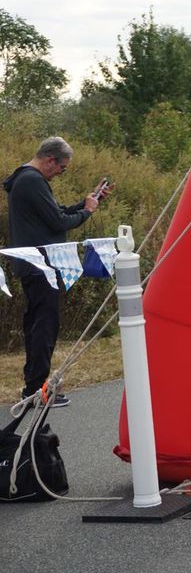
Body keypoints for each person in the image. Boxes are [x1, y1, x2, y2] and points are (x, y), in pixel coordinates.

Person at [3, 137, 107, 407]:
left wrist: (85, 204)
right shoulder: (32, 181)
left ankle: (33, 388)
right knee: (45, 327)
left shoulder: (26, 179)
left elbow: (55, 212)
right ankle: (36, 390)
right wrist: (87, 213)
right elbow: (59, 221)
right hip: (41, 267)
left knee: (37, 325)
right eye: (62, 167)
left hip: (35, 266)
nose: (61, 172)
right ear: (50, 160)